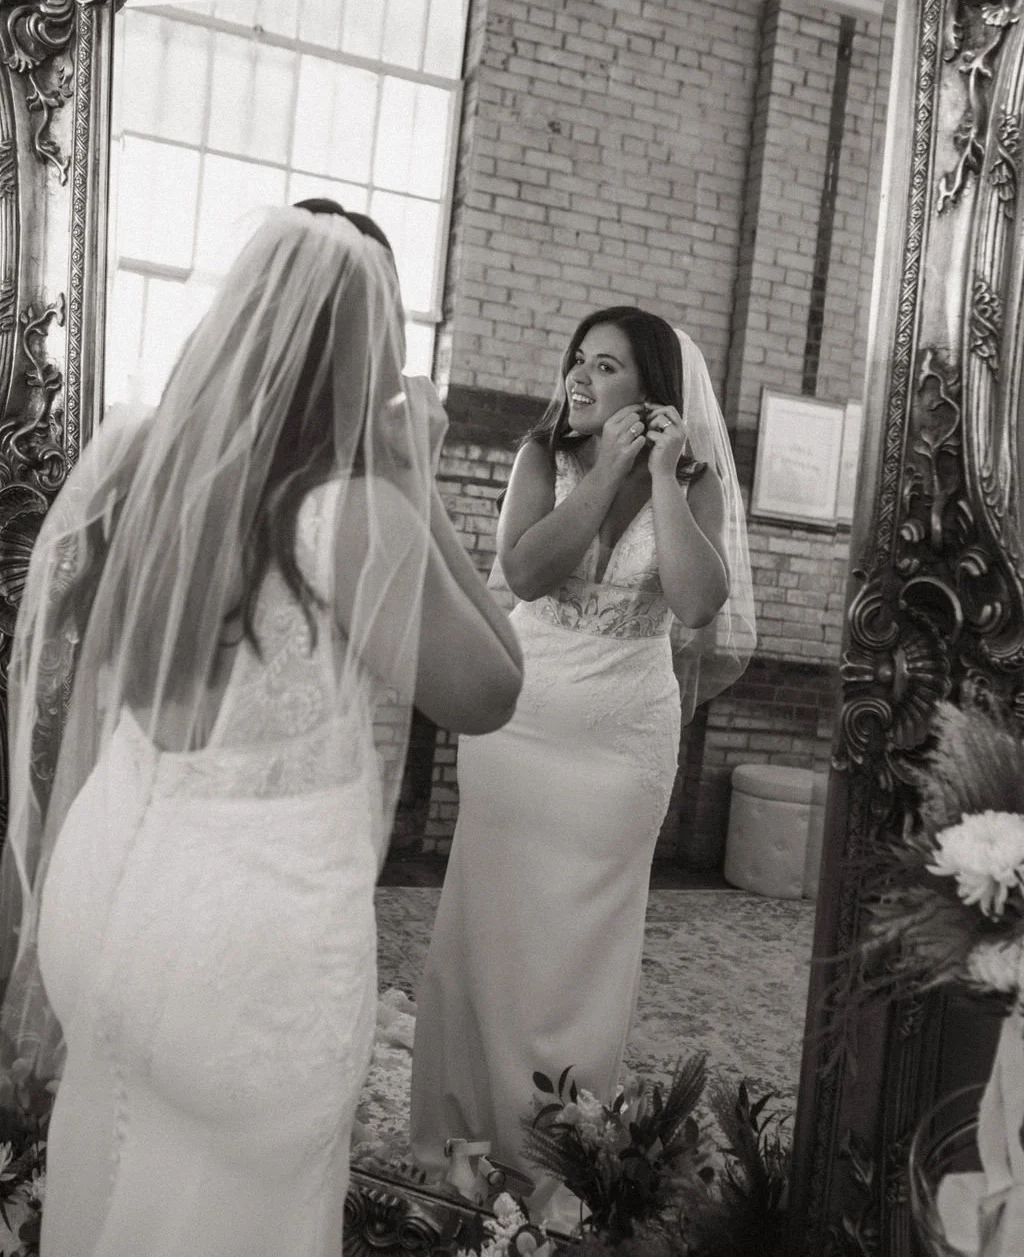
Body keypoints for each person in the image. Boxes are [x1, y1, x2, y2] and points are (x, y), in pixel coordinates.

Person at [0, 200, 524, 1257]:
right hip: (237, 955)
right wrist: (413, 481)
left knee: (118, 1155)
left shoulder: (151, 473)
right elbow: (494, 686)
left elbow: (90, 696)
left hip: (106, 895)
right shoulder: (352, 510)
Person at [409, 305, 755, 1226]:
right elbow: (525, 573)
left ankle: (563, 1146)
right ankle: (463, 1133)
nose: (579, 376)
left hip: (622, 744)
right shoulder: (542, 457)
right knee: (490, 919)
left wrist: (662, 478)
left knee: (586, 941)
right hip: (517, 726)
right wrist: (603, 472)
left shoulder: (695, 482)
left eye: (606, 366)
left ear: (652, 392)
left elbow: (695, 603)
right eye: (579, 359)